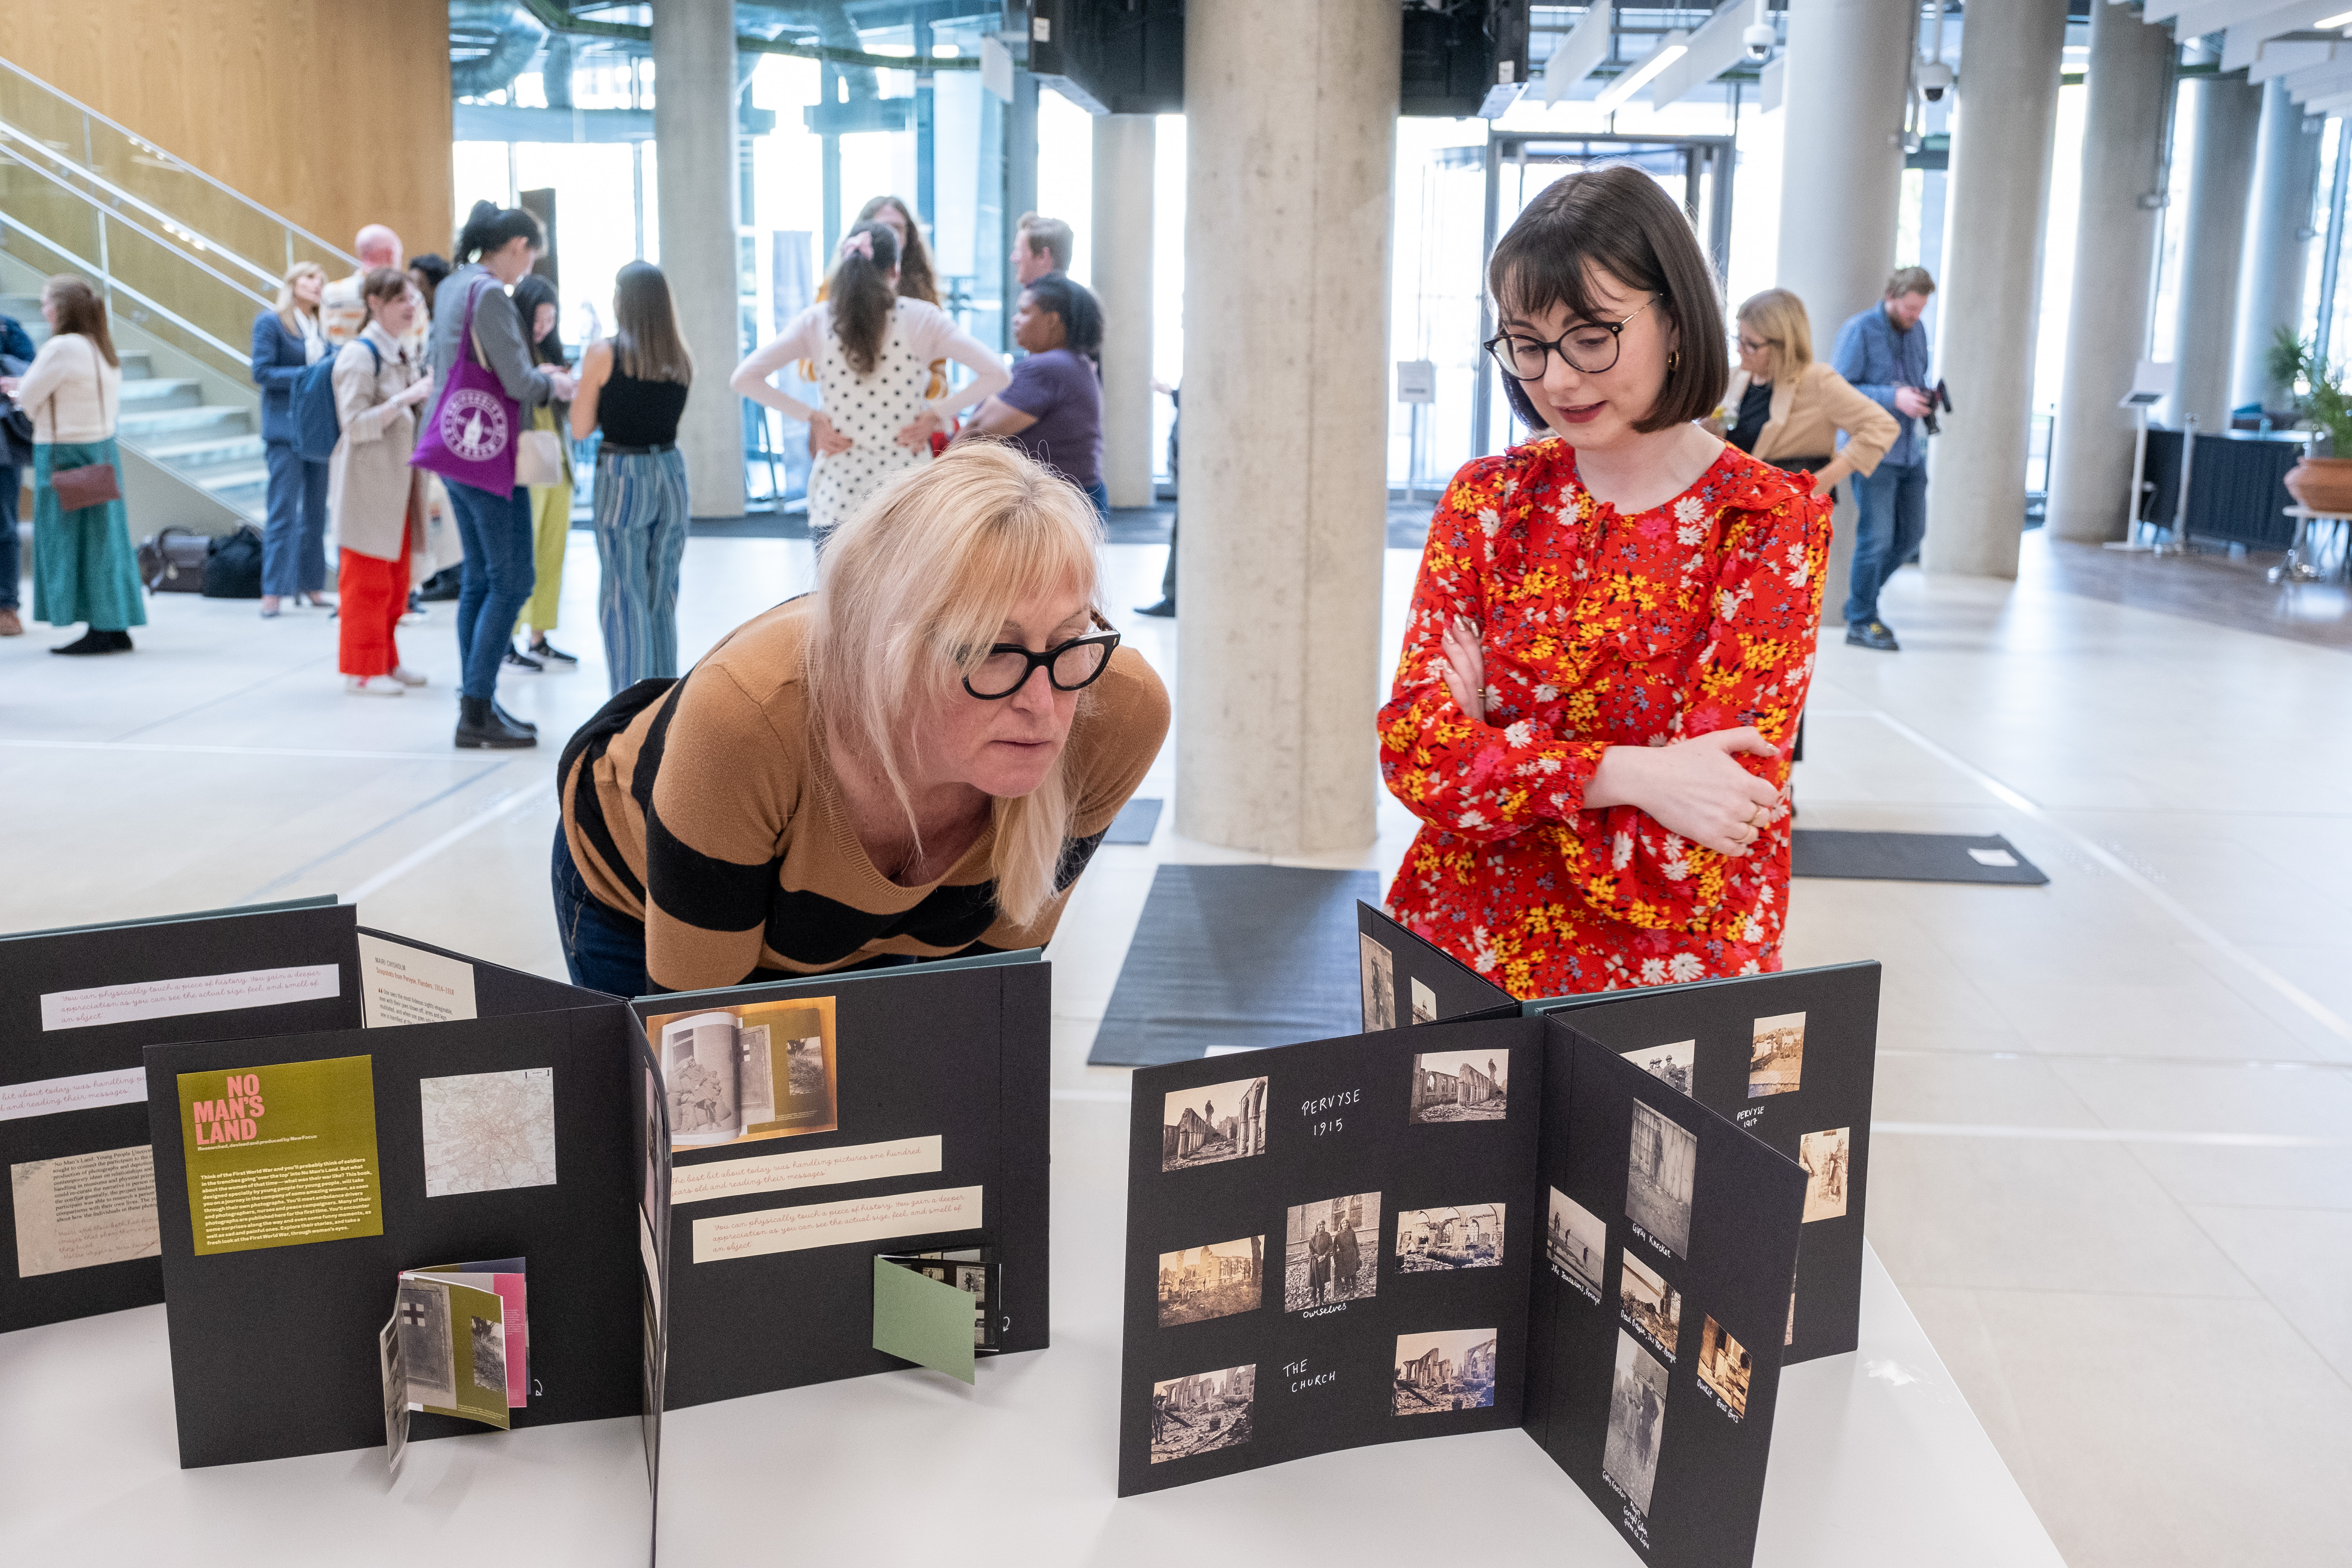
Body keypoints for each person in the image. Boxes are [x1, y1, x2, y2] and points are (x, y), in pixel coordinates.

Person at [1377, 165, 1828, 1001]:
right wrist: (1637, 774)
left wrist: (1503, 752)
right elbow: (1420, 760)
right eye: (1526, 342)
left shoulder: (1765, 522)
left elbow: (1701, 839)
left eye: (1591, 338)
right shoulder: (1490, 500)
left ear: (1679, 323)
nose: (1554, 378)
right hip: (1461, 945)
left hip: (1666, 975)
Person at [551, 442, 1168, 998]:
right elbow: (703, 1056)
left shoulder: (1115, 714)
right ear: (889, 653)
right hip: (637, 898)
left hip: (852, 924)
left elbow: (987, 1000)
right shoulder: (747, 723)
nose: (1042, 703)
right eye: (991, 651)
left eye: (1067, 640)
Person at [731, 222, 1008, 552]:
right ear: (896, 269)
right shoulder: (922, 319)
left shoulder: (818, 321)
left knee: (839, 602)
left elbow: (744, 378)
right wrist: (937, 415)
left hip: (838, 493)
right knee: (905, 602)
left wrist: (812, 418)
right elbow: (998, 374)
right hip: (904, 495)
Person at [430, 200, 575, 750]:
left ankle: (479, 698)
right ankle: (475, 708)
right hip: (489, 451)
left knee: (481, 578)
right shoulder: (490, 293)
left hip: (454, 443)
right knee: (514, 578)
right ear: (516, 247)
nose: (529, 270)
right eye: (530, 257)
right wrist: (553, 384)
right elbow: (517, 381)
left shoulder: (452, 286)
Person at [570, 260, 693, 694]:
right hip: (671, 473)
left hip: (625, 474)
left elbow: (581, 427)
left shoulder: (604, 353)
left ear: (623, 300)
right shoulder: (679, 355)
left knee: (625, 594)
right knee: (662, 594)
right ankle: (664, 702)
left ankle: (629, 709)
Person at [0, 276, 141, 654]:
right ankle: (116, 625)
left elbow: (28, 399)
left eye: (47, 304)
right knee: (105, 541)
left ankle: (97, 629)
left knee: (69, 543)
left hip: (64, 454)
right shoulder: (100, 345)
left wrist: (15, 389)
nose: (44, 311)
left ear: (61, 310)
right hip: (101, 451)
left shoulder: (61, 348)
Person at [327, 268, 433, 695]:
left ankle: (387, 659)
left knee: (394, 580)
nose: (410, 308)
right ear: (374, 303)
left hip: (398, 485)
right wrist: (405, 399)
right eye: (399, 300)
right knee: (366, 581)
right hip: (368, 486)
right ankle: (363, 669)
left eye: (413, 300)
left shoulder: (400, 352)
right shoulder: (359, 355)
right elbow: (353, 425)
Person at [1831, 266, 1937, 652]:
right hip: (1872, 450)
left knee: (1911, 535)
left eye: (1921, 309)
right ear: (1891, 296)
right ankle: (1861, 619)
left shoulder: (1917, 332)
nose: (1915, 316)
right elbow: (1839, 390)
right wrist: (1895, 398)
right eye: (1910, 308)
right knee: (1876, 538)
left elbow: (1913, 378)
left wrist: (1924, 398)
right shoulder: (1859, 330)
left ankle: (1859, 604)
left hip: (1909, 449)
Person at [1715, 289, 1896, 499]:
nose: (1739, 349)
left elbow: (1882, 427)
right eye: (1739, 338)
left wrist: (1822, 481)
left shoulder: (1817, 381)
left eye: (1752, 345)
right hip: (1736, 504)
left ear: (1785, 345)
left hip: (1788, 516)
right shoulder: (1735, 377)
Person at [957, 272, 1106, 516]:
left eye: (1025, 312)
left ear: (1052, 320)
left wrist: (935, 479)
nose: (1016, 320)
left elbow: (978, 430)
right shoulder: (1075, 363)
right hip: (1074, 500)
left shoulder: (1046, 368)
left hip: (1052, 507)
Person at [251, 261, 333, 617]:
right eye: (310, 278)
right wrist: (311, 374)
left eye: (321, 280)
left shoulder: (322, 328)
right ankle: (274, 591)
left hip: (318, 430)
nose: (317, 285)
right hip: (285, 431)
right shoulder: (271, 323)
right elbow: (263, 372)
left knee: (317, 514)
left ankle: (312, 585)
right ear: (293, 284)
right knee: (283, 511)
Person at [507, 272, 578, 674]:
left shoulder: (551, 351)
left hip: (558, 464)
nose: (542, 327)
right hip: (527, 464)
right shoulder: (514, 355)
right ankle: (511, 638)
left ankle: (540, 635)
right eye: (537, 318)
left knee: (553, 551)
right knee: (524, 553)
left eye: (549, 319)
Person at [0, 303, 35, 638]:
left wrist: (12, 381)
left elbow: (35, 373)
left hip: (1, 448)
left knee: (4, 527)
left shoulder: (6, 328)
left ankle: (6, 608)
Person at [321, 225, 404, 348]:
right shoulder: (410, 297)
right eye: (399, 255)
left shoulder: (331, 292)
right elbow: (418, 350)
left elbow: (325, 339)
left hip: (341, 365)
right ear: (391, 254)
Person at [1012, 211, 1072, 288]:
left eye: (1019, 250)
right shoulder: (1082, 296)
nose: (1013, 258)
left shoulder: (1034, 299)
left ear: (1043, 256)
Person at [1333, 1209, 1360, 1296]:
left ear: (1349, 1224)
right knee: (1346, 1274)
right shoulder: (1338, 1235)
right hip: (1344, 1257)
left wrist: (1359, 1255)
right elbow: (1334, 1248)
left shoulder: (1352, 1233)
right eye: (1344, 1224)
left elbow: (1356, 1244)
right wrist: (1335, 1259)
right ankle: (1349, 1291)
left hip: (1353, 1255)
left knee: (1353, 1273)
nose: (1345, 1225)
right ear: (1341, 1225)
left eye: (1347, 1223)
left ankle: (1355, 1290)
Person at [1307, 1221, 1332, 1306]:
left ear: (1325, 1225)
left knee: (1322, 1281)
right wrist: (1318, 1257)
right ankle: (1314, 1300)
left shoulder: (1328, 1235)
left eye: (1323, 1225)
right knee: (1314, 1282)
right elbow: (1310, 1250)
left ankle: (1322, 1300)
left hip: (1324, 1262)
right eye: (1320, 1225)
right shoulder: (1313, 1237)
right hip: (1315, 1263)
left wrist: (1324, 1256)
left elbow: (1330, 1246)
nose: (1321, 1226)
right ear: (1317, 1226)